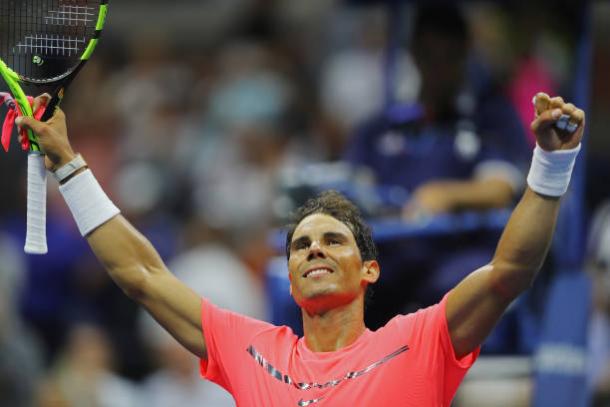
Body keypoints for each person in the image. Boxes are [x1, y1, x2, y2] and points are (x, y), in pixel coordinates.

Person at [15, 91, 584, 405]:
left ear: (369, 270)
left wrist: (551, 164)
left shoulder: (420, 341)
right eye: (301, 245)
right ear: (288, 279)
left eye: (332, 241)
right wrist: (69, 163)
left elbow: (510, 269)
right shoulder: (252, 349)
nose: (313, 250)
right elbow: (141, 274)